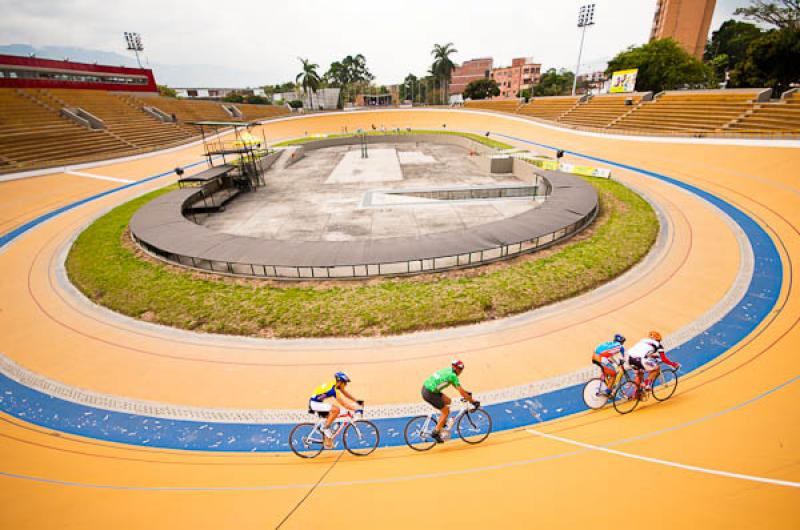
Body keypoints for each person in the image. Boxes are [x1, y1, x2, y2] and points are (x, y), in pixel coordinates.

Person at [421, 360, 478, 443]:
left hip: (429, 389)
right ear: (455, 368)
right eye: (460, 369)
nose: (460, 371)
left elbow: (460, 389)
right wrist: (473, 402)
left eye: (461, 370)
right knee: (446, 412)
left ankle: (442, 422)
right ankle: (435, 433)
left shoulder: (449, 370)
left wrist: (466, 394)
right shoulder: (453, 376)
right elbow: (461, 392)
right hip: (430, 393)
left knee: (448, 401)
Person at [309, 372, 363, 448]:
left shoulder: (335, 384)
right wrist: (357, 409)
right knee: (336, 409)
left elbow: (345, 393)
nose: (346, 385)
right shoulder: (333, 390)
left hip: (316, 403)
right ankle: (325, 428)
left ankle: (327, 440)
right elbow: (345, 405)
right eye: (345, 383)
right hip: (315, 404)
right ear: (340, 382)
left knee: (332, 415)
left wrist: (356, 401)